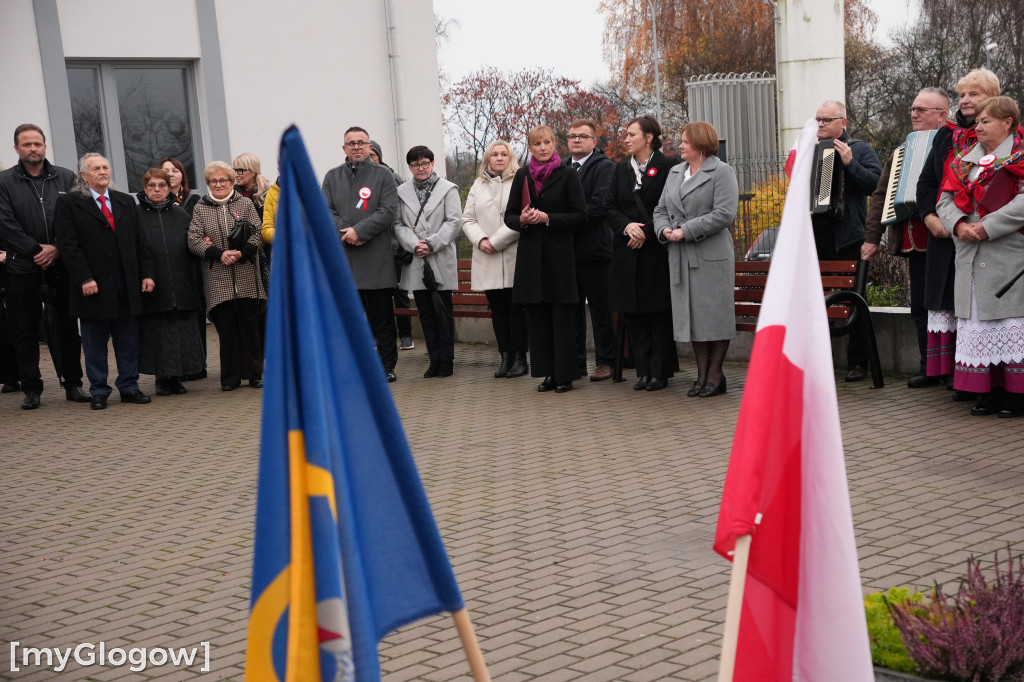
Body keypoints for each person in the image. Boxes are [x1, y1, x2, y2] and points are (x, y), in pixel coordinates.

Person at [936, 95, 1024, 418]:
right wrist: (959, 225)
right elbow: (944, 200)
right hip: (969, 254)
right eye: (978, 122)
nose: (979, 127)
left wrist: (987, 226)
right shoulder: (965, 160)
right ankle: (991, 391)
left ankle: (1017, 394)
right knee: (981, 324)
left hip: (1007, 256)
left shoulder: (1020, 157)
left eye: (986, 121)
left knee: (1010, 324)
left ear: (1007, 123)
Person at [917, 69, 1001, 399]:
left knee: (977, 308)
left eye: (974, 94)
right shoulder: (945, 135)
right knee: (948, 303)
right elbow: (927, 182)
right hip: (944, 233)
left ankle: (981, 379)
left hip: (982, 236)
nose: (965, 100)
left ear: (992, 98)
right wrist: (931, 218)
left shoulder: (1004, 133)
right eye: (962, 94)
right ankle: (956, 375)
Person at [863, 87, 950, 388]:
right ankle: (929, 367)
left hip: (945, 240)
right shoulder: (901, 152)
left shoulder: (954, 146)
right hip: (912, 240)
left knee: (947, 306)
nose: (914, 114)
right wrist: (872, 237)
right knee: (919, 307)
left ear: (942, 115)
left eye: (921, 110)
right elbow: (880, 196)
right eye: (912, 109)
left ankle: (952, 369)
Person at [54, 153, 155, 410]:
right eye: (96, 168)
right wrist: (84, 278)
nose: (102, 172)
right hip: (93, 286)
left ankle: (129, 386)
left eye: (105, 167)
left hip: (126, 284)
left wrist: (146, 274)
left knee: (128, 340)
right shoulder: (70, 203)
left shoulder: (125, 201)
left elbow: (140, 241)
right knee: (95, 343)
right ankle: (99, 390)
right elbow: (68, 246)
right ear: (83, 175)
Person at [0, 123, 88, 409]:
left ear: (45, 146)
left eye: (37, 143)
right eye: (26, 144)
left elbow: (79, 217)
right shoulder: (4, 182)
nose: (33, 148)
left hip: (60, 266)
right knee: (24, 331)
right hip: (22, 267)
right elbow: (4, 223)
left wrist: (57, 247)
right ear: (16, 148)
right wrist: (36, 250)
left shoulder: (66, 177)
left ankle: (73, 383)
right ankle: (31, 388)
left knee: (67, 328)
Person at [654, 121, 739, 398]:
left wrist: (686, 230)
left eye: (685, 141)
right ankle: (702, 374)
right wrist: (664, 230)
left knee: (714, 316)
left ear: (700, 144)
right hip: (680, 255)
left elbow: (724, 213)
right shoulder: (676, 172)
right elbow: (660, 209)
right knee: (693, 317)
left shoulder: (721, 171)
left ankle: (716, 374)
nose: (679, 145)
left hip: (711, 255)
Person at [505, 125, 587, 393]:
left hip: (559, 258)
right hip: (531, 259)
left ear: (555, 145)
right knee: (538, 319)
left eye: (547, 142)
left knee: (561, 318)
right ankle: (548, 373)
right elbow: (509, 216)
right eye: (537, 144)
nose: (542, 148)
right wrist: (523, 220)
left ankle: (565, 375)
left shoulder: (567, 174)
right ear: (530, 148)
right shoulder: (522, 175)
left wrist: (547, 218)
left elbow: (580, 216)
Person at [606, 115, 681, 391]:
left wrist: (646, 233)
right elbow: (609, 207)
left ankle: (660, 371)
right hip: (627, 250)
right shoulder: (620, 170)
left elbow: (671, 207)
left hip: (655, 250)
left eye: (632, 134)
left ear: (649, 138)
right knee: (635, 311)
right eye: (626, 134)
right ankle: (644, 370)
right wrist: (627, 228)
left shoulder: (669, 166)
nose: (626, 139)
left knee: (657, 313)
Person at [321, 126, 400, 382]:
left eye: (361, 142)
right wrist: (347, 232)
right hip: (345, 260)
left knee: (381, 320)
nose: (356, 146)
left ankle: (386, 367)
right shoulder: (332, 177)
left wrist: (360, 231)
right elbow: (325, 211)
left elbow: (388, 210)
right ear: (344, 148)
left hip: (376, 260)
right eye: (351, 143)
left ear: (369, 147)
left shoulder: (384, 175)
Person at [812, 100, 882, 382]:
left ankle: (858, 362)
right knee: (816, 302)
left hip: (849, 238)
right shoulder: (811, 150)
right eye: (818, 119)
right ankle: (820, 361)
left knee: (855, 300)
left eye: (827, 120)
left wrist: (850, 163)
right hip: (817, 238)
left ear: (843, 122)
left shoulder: (860, 149)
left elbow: (875, 185)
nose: (820, 124)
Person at [187, 161, 267, 391]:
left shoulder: (245, 203)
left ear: (231, 182)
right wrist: (219, 254)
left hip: (246, 274)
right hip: (217, 277)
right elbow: (193, 239)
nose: (218, 184)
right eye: (213, 181)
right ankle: (230, 377)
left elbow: (258, 233)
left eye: (223, 180)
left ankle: (254, 374)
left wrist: (242, 253)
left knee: (250, 327)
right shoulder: (200, 207)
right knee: (227, 329)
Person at [393, 146, 462, 378]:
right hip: (416, 257)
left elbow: (454, 222)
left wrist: (431, 243)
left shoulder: (448, 189)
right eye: (415, 164)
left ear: (432, 164)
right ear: (410, 167)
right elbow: (397, 224)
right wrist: (414, 244)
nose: (420, 168)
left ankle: (447, 359)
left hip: (439, 255)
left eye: (424, 163)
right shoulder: (401, 192)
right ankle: (434, 359)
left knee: (443, 311)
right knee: (425, 313)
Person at [462, 139, 528, 378]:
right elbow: (468, 219)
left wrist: (496, 241)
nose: (499, 158)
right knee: (498, 310)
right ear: (488, 158)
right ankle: (505, 357)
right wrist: (481, 240)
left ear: (510, 158)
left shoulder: (521, 180)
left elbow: (523, 217)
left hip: (512, 253)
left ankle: (520, 358)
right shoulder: (478, 185)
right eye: (495, 154)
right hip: (486, 255)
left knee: (516, 309)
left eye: (504, 154)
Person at [136, 168, 204, 395]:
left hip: (181, 282)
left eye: (162, 185)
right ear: (145, 188)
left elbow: (192, 245)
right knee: (160, 333)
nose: (157, 190)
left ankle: (177, 377)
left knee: (181, 332)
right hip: (153, 283)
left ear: (168, 188)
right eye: (152, 185)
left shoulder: (181, 215)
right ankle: (162, 379)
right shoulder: (135, 215)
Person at [565, 119, 616, 381]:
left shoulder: (605, 167)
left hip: (596, 251)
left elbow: (598, 207)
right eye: (572, 136)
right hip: (567, 252)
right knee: (572, 311)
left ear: (594, 141)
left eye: (582, 136)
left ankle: (606, 362)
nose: (576, 140)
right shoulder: (562, 167)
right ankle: (576, 363)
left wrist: (562, 221)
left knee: (600, 311)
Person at [370, 139, 415, 352]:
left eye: (373, 155)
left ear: (379, 157)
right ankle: (377, 337)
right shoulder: (357, 180)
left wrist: (402, 243)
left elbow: (400, 213)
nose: (370, 159)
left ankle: (406, 335)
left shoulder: (393, 177)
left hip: (395, 248)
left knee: (400, 293)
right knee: (375, 298)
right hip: (372, 250)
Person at [232, 152, 272, 221]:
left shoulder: (269, 193)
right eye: (235, 170)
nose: (236, 174)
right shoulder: (232, 194)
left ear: (253, 172)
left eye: (240, 170)